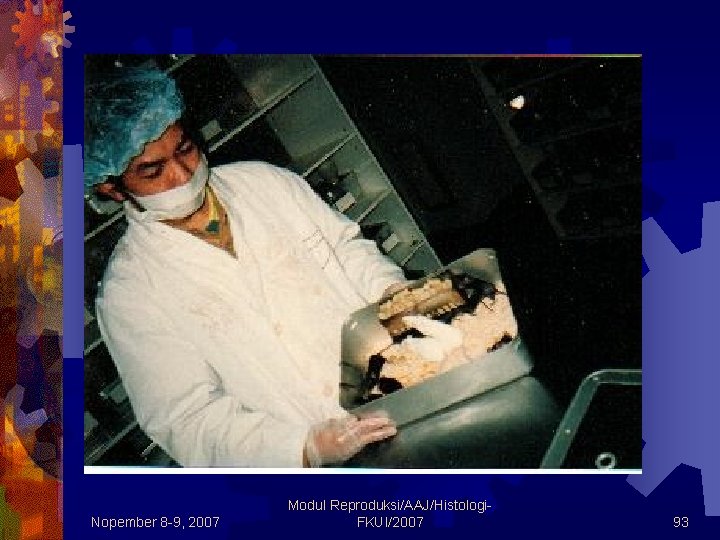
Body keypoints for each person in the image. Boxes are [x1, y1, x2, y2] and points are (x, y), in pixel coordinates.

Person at [84, 66, 405, 467]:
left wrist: (395, 296)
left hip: (402, 384)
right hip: (316, 459)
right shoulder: (129, 292)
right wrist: (304, 448)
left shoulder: (264, 183)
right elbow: (188, 417)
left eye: (185, 149)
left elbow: (345, 249)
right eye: (153, 171)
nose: (182, 175)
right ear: (111, 187)